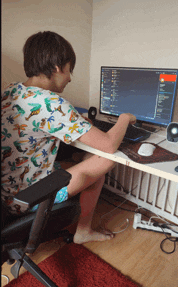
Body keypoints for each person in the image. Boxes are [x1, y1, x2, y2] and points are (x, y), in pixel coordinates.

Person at [1, 31, 136, 244]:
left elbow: (40, 124)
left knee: (82, 161)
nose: (70, 77)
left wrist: (77, 121)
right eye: (69, 69)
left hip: (7, 191)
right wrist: (124, 118)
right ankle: (83, 231)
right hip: (25, 198)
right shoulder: (51, 103)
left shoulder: (11, 91)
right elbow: (109, 145)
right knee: (108, 159)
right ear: (57, 67)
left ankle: (83, 230)